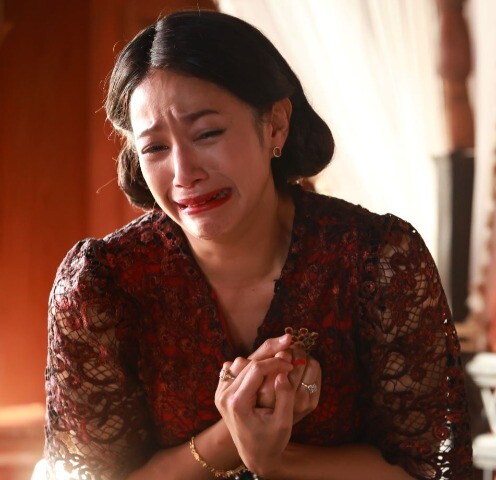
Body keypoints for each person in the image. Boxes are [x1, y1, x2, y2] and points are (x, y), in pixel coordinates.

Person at [44, 9, 472, 480]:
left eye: (207, 133)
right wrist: (232, 437)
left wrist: (273, 458)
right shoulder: (100, 285)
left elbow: (428, 473)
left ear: (276, 125)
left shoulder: (378, 259)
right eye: (155, 148)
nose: (184, 174)